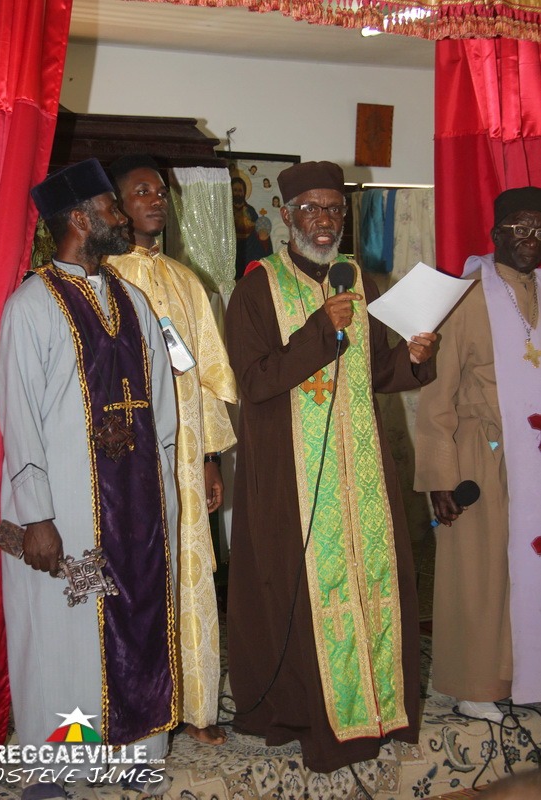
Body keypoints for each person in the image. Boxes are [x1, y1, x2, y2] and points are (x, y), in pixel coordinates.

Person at [225, 160, 437, 773]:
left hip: (361, 470)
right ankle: (304, 713)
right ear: (287, 217)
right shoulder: (258, 287)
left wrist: (415, 358)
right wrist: (321, 329)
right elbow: (255, 380)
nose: (323, 221)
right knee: (300, 590)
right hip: (292, 478)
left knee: (373, 585)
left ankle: (376, 710)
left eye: (333, 211)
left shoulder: (357, 280)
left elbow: (376, 373)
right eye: (311, 210)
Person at [0, 159, 179, 799]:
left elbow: (161, 404)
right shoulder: (33, 303)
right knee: (61, 637)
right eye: (111, 207)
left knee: (139, 622)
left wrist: (169, 489)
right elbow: (17, 414)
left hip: (137, 507)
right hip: (66, 510)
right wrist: (35, 515)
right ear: (78, 219)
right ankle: (53, 768)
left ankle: (130, 753)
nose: (123, 216)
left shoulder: (131, 299)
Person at [107, 154, 237, 746]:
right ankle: (134, 712)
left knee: (190, 574)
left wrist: (210, 458)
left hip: (185, 457)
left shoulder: (188, 282)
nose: (156, 201)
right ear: (116, 203)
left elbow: (208, 376)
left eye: (160, 192)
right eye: (141, 192)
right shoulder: (104, 277)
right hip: (123, 461)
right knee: (135, 578)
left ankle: (195, 706)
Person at [414, 186, 541, 723]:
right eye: (517, 227)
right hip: (480, 455)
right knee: (480, 572)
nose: (528, 239)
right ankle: (473, 684)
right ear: (495, 234)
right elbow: (437, 396)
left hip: (532, 454)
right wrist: (439, 476)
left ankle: (525, 673)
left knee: (527, 572)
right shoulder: (467, 295)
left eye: (538, 228)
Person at [231, 175, 273, 279]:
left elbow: (258, 230)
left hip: (248, 249)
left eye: (240, 190)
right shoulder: (227, 211)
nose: (237, 193)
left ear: (244, 192)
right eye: (235, 190)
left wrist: (263, 237)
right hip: (232, 249)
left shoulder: (250, 210)